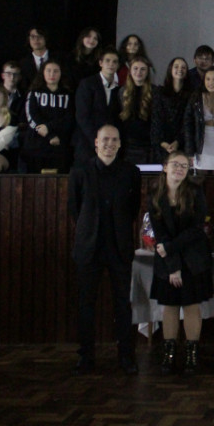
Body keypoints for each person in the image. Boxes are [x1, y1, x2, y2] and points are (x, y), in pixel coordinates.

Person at [68, 125, 142, 375]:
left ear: (120, 144)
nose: (109, 144)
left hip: (119, 247)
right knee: (86, 304)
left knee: (123, 304)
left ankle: (126, 356)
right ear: (96, 143)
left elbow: (133, 208)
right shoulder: (80, 171)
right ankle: (86, 356)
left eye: (114, 140)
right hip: (89, 247)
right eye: (105, 140)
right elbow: (75, 209)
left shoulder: (131, 172)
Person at [149, 151, 213, 375]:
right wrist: (173, 266)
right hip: (167, 259)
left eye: (184, 166)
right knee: (170, 306)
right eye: (175, 165)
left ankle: (191, 353)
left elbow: (196, 229)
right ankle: (168, 354)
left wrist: (171, 249)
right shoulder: (155, 194)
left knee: (191, 305)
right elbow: (160, 234)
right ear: (165, 166)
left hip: (193, 258)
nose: (179, 169)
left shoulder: (195, 192)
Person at [22, 60, 74, 173]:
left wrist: (50, 128)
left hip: (59, 145)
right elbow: (31, 117)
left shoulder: (68, 94)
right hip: (36, 146)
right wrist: (49, 135)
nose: (52, 74)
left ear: (61, 73)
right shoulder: (34, 92)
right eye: (48, 71)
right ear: (43, 73)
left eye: (56, 71)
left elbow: (69, 118)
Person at [73, 47, 122, 167]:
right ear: (100, 63)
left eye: (115, 61)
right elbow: (82, 116)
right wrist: (97, 141)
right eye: (107, 60)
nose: (111, 64)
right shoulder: (87, 84)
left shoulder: (120, 88)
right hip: (87, 143)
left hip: (110, 147)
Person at [184, 66, 214, 173]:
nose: (211, 82)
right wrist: (190, 151)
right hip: (201, 143)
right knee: (201, 178)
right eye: (208, 79)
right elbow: (188, 124)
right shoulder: (196, 97)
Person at [151, 57, 191, 163]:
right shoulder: (159, 92)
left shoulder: (191, 95)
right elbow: (156, 119)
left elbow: (188, 122)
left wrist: (178, 141)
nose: (180, 69)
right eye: (176, 66)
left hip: (182, 144)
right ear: (170, 69)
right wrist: (162, 143)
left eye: (183, 67)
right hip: (162, 144)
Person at [118, 57, 153, 164]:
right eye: (135, 68)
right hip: (127, 145)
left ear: (147, 72)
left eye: (143, 69)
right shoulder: (122, 92)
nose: (139, 72)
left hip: (148, 146)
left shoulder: (155, 92)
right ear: (130, 71)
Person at [18, 26, 66, 91]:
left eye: (39, 36)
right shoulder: (24, 63)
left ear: (45, 38)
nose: (36, 40)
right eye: (33, 37)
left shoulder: (59, 58)